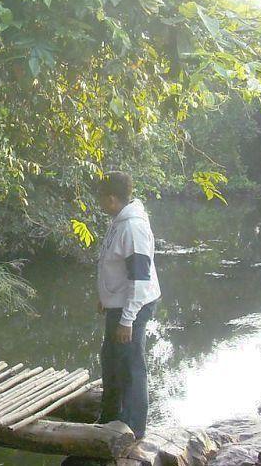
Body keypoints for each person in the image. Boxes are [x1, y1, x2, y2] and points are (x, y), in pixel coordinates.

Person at [95, 171, 161, 439]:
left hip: (133, 307)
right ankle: (111, 416)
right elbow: (113, 264)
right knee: (110, 358)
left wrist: (127, 319)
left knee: (132, 364)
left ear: (112, 198)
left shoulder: (133, 227)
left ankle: (134, 427)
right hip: (118, 304)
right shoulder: (119, 221)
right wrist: (106, 297)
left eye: (100, 198)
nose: (98, 203)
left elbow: (140, 278)